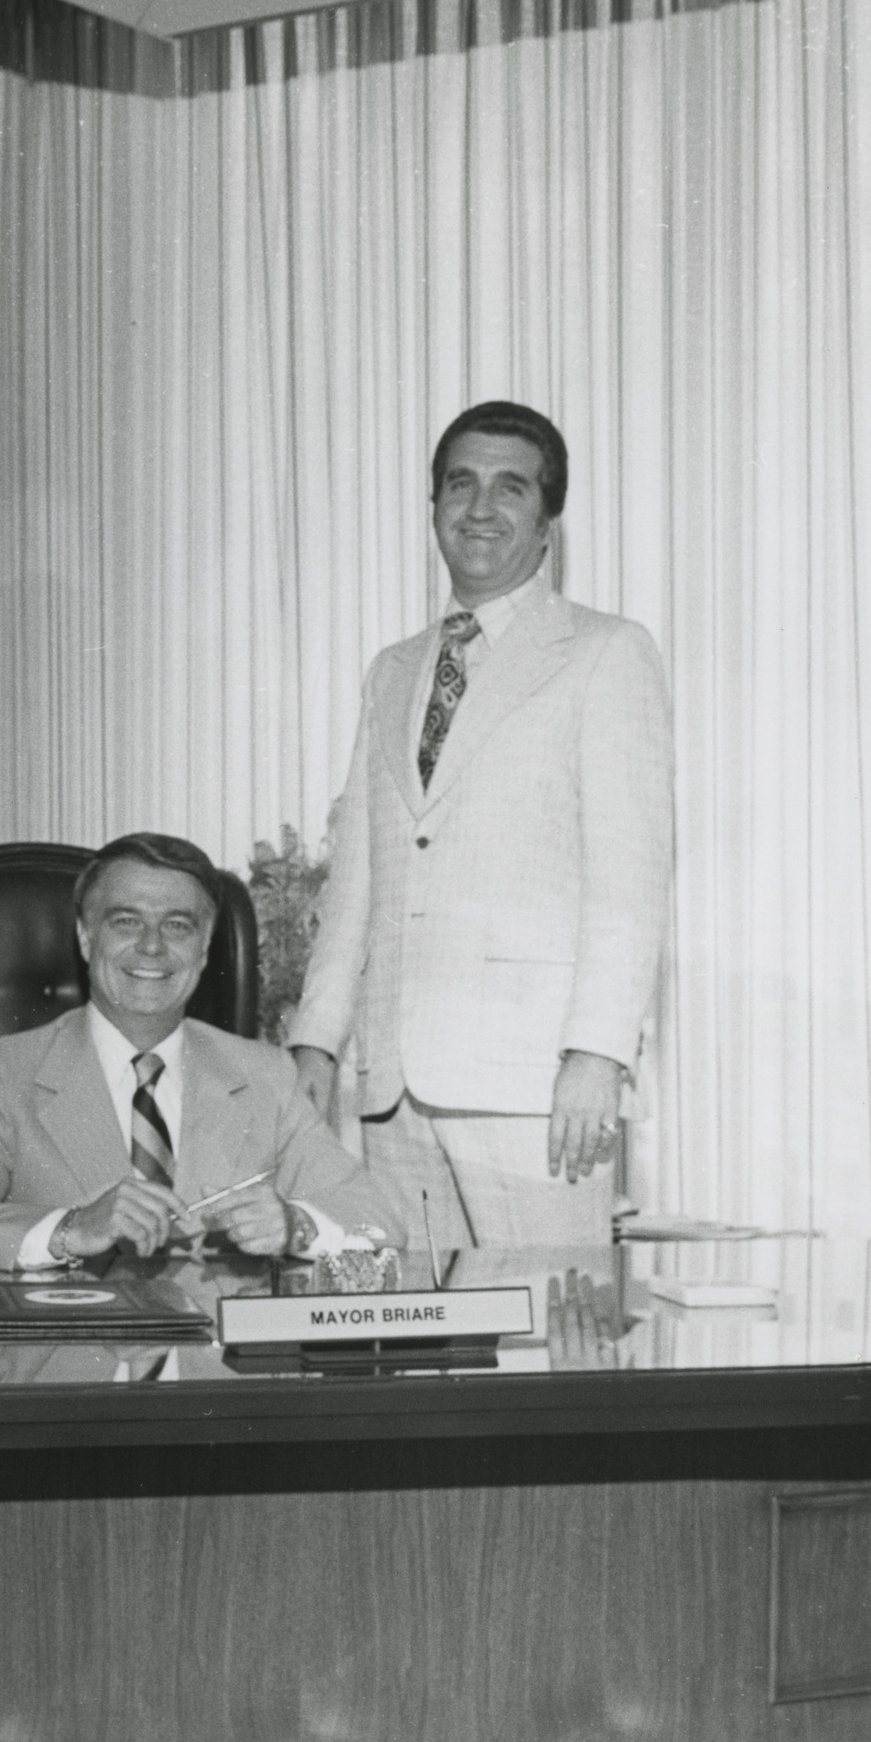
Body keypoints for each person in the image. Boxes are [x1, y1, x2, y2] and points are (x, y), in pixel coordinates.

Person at [287, 400, 671, 1251]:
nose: (480, 508)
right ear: (433, 508)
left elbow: (630, 883)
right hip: (390, 1090)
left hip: (533, 1090)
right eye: (459, 484)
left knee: (540, 1352)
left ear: (548, 520)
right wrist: (315, 1040)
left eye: (511, 487)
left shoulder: (605, 653)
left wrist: (596, 1056)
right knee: (417, 1361)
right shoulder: (392, 671)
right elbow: (357, 874)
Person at [0, 833, 393, 1267]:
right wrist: (69, 1229)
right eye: (126, 922)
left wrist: (296, 1224)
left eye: (177, 925)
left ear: (204, 948)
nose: (152, 946)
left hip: (216, 1374)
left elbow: (380, 1219)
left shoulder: (265, 1074)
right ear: (86, 939)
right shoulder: (8, 1071)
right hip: (66, 1363)